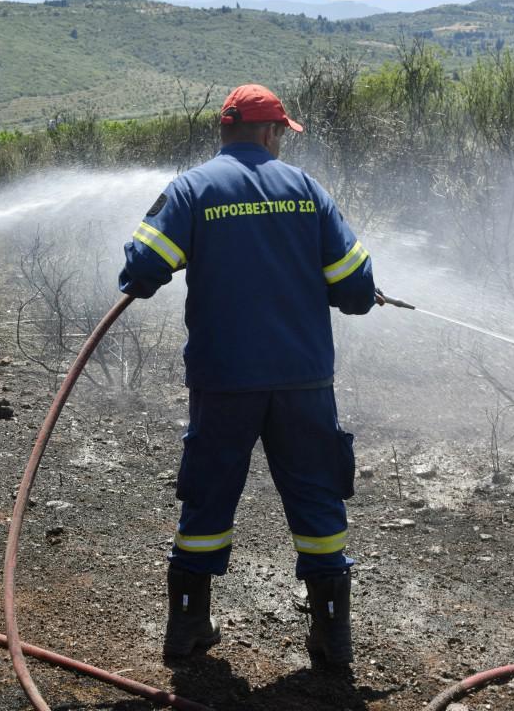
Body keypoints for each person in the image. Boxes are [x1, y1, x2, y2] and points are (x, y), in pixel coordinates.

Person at [117, 84, 382, 669]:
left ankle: (187, 626)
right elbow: (356, 288)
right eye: (281, 133)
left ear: (226, 130)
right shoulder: (305, 189)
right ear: (269, 132)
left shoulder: (193, 189)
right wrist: (352, 292)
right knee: (316, 498)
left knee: (208, 495)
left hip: (224, 379)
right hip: (302, 381)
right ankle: (332, 635)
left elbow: (141, 269)